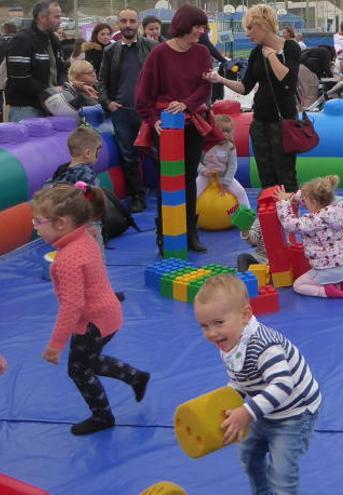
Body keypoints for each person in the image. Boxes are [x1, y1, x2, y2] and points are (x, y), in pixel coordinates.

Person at [31, 184, 149, 435]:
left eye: (38, 221)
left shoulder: (67, 259)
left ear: (61, 223)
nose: (35, 226)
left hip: (93, 322)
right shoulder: (86, 238)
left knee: (78, 369)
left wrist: (56, 344)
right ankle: (135, 377)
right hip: (108, 314)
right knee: (90, 361)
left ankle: (102, 416)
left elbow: (72, 306)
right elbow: (95, 279)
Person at [194, 274, 320, 495]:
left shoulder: (264, 345)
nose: (211, 333)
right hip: (264, 409)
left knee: (282, 473)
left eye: (218, 323)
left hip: (295, 412)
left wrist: (247, 411)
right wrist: (228, 402)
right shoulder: (229, 342)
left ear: (245, 315)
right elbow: (240, 380)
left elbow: (282, 385)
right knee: (249, 457)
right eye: (204, 326)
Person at [136, 4, 214, 254]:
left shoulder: (202, 52)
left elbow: (205, 87)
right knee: (168, 180)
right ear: (184, 26)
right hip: (166, 127)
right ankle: (166, 233)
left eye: (203, 27)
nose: (201, 31)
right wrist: (154, 121)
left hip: (191, 122)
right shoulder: (159, 54)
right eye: (198, 26)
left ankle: (191, 232)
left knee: (189, 177)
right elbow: (143, 96)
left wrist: (187, 104)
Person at [205, 5, 301, 192]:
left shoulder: (290, 47)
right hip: (260, 121)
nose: (247, 33)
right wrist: (221, 79)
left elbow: (288, 79)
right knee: (266, 175)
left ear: (263, 24)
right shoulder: (256, 52)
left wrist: (272, 56)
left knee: (286, 174)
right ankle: (270, 216)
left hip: (283, 122)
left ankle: (290, 217)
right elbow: (245, 87)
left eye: (250, 28)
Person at [97, 7, 156, 213]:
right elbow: (102, 80)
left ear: (138, 23)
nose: (128, 25)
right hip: (121, 112)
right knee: (129, 156)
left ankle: (168, 193)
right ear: (118, 24)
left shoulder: (152, 47)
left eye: (132, 21)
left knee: (157, 152)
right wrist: (108, 102)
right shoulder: (110, 51)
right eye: (124, 21)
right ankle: (138, 196)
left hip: (148, 112)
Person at [275, 176, 343, 299]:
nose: (305, 204)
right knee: (336, 270)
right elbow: (313, 200)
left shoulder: (315, 220)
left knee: (298, 285)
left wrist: (283, 204)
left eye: (307, 201)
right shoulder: (339, 206)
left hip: (327, 270)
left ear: (314, 202)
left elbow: (289, 224)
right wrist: (293, 197)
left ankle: (327, 291)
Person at [5, 1, 71, 122]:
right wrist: (49, 91)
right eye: (56, 17)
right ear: (41, 18)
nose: (60, 20)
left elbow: (62, 68)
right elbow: (19, 78)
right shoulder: (22, 40)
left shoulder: (53, 40)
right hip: (27, 108)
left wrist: (63, 85)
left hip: (51, 105)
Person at [197, 114, 249, 209]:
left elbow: (232, 165)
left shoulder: (230, 147)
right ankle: (188, 218)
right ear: (214, 131)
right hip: (206, 177)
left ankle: (247, 218)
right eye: (222, 131)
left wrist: (226, 182)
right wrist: (204, 171)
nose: (225, 133)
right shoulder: (206, 145)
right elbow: (196, 161)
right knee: (194, 192)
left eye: (227, 131)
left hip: (223, 177)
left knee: (240, 192)